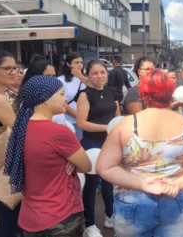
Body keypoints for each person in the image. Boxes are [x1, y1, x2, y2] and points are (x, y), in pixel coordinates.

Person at [96, 69, 183, 236]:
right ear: (171, 94)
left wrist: (143, 184)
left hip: (134, 200)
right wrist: (178, 184)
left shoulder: (126, 125)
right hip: (176, 198)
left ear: (143, 95)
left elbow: (104, 167)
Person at [4, 75, 92, 237]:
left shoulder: (20, 129)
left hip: (30, 218)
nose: (65, 98)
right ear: (45, 99)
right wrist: (69, 159)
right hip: (61, 217)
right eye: (61, 94)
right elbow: (86, 165)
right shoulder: (58, 132)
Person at [76, 59, 120, 237]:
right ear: (88, 75)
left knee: (110, 182)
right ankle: (89, 225)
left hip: (110, 144)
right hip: (91, 144)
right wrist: (107, 128)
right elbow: (81, 123)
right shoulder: (85, 95)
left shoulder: (112, 92)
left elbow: (117, 115)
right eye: (95, 73)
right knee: (91, 185)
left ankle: (110, 216)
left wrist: (117, 130)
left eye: (102, 72)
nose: (99, 76)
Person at [0, 50, 21, 237]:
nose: (13, 72)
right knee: (7, 222)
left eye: (15, 67)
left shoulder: (4, 96)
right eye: (7, 68)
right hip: (0, 169)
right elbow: (21, 133)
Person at [58, 53, 87, 140]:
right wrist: (78, 116)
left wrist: (81, 76)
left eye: (81, 62)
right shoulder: (60, 80)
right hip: (68, 121)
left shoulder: (85, 80)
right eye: (76, 62)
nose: (80, 65)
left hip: (86, 121)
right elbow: (61, 102)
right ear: (68, 64)